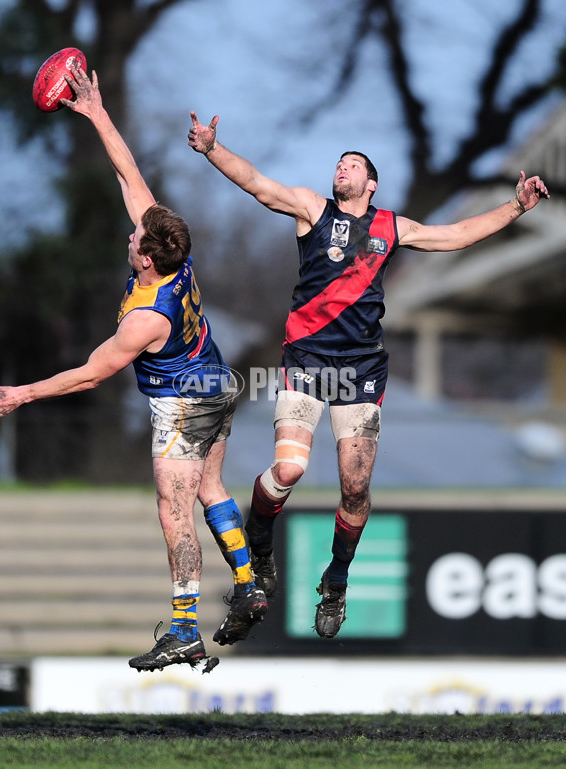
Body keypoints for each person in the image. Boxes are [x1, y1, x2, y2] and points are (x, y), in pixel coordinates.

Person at [187, 111, 550, 640]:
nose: (343, 168)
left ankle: (335, 582)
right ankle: (260, 554)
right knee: (287, 471)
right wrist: (212, 150)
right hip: (307, 361)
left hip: (360, 370)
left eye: (353, 164)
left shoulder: (391, 226)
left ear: (371, 183)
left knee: (355, 487)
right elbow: (259, 184)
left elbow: (455, 235)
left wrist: (517, 206)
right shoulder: (312, 208)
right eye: (340, 162)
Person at [0, 68, 268, 672]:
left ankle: (185, 629)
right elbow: (129, 175)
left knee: (174, 512)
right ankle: (249, 584)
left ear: (144, 255)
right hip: (219, 383)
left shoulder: (144, 317)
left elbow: (90, 374)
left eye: (135, 233)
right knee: (212, 490)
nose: (130, 228)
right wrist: (94, 112)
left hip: (185, 402)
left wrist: (22, 394)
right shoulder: (172, 254)